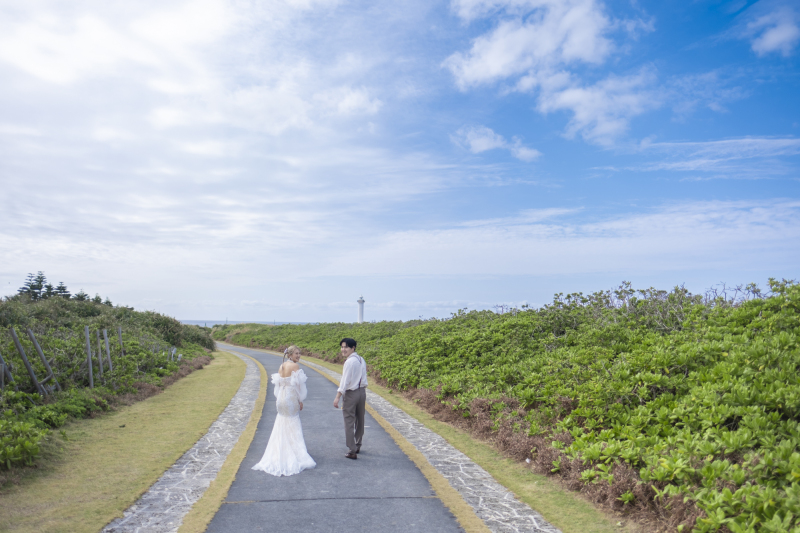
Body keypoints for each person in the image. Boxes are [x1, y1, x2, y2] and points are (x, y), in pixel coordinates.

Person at [252, 345, 316, 476]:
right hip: (291, 398)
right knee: (293, 422)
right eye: (296, 354)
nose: (299, 356)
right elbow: (299, 387)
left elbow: (279, 385)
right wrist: (300, 400)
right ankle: (294, 452)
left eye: (300, 353)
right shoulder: (295, 367)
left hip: (281, 398)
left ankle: (280, 450)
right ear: (290, 355)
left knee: (281, 422)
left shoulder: (281, 366)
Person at [333, 337, 367, 460]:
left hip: (351, 393)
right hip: (362, 392)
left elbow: (345, 381)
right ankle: (358, 445)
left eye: (346, 347)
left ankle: (352, 450)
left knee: (349, 420)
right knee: (360, 419)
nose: (343, 349)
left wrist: (337, 397)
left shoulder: (349, 362)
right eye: (342, 347)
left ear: (353, 348)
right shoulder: (361, 359)